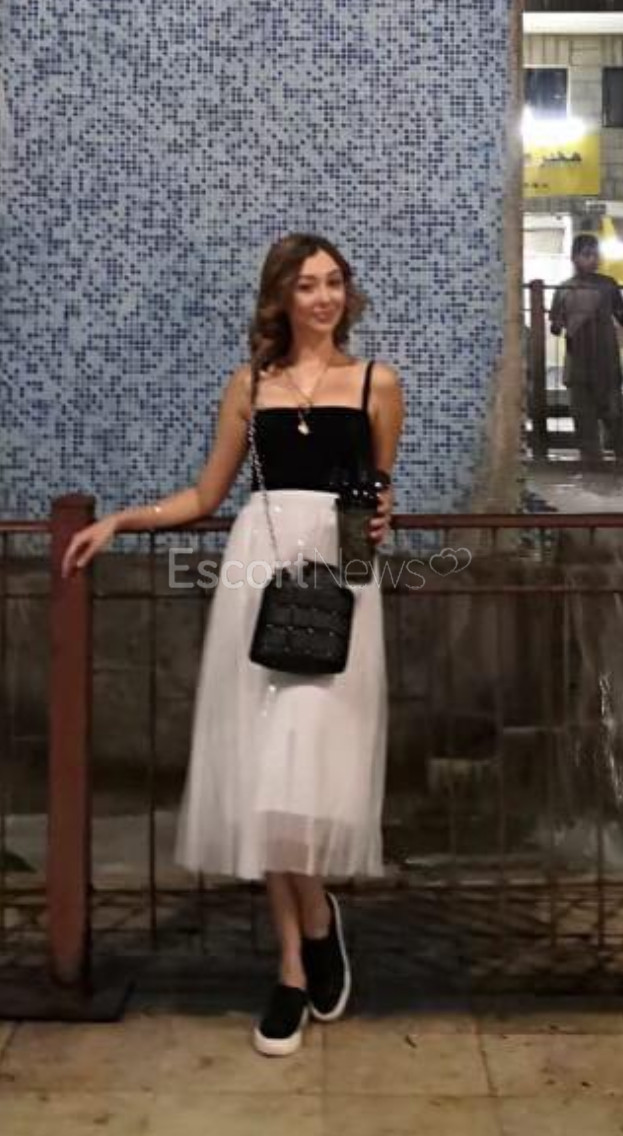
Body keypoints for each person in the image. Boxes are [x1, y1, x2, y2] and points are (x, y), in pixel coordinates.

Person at [61, 232, 405, 1057]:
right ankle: (295, 959)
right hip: (257, 576)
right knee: (264, 774)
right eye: (306, 285)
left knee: (302, 769)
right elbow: (205, 494)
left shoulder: (378, 383)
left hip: (336, 583)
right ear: (281, 297)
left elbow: (377, 498)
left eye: (333, 282)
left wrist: (377, 528)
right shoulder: (250, 386)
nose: (323, 297)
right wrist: (121, 521)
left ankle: (316, 920)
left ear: (347, 293)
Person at [549, 233, 623, 461]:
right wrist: (566, 322)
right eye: (587, 254)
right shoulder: (564, 289)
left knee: (615, 417)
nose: (593, 259)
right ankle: (593, 464)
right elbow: (555, 327)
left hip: (605, 362)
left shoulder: (608, 285)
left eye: (595, 255)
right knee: (584, 420)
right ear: (574, 257)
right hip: (579, 364)